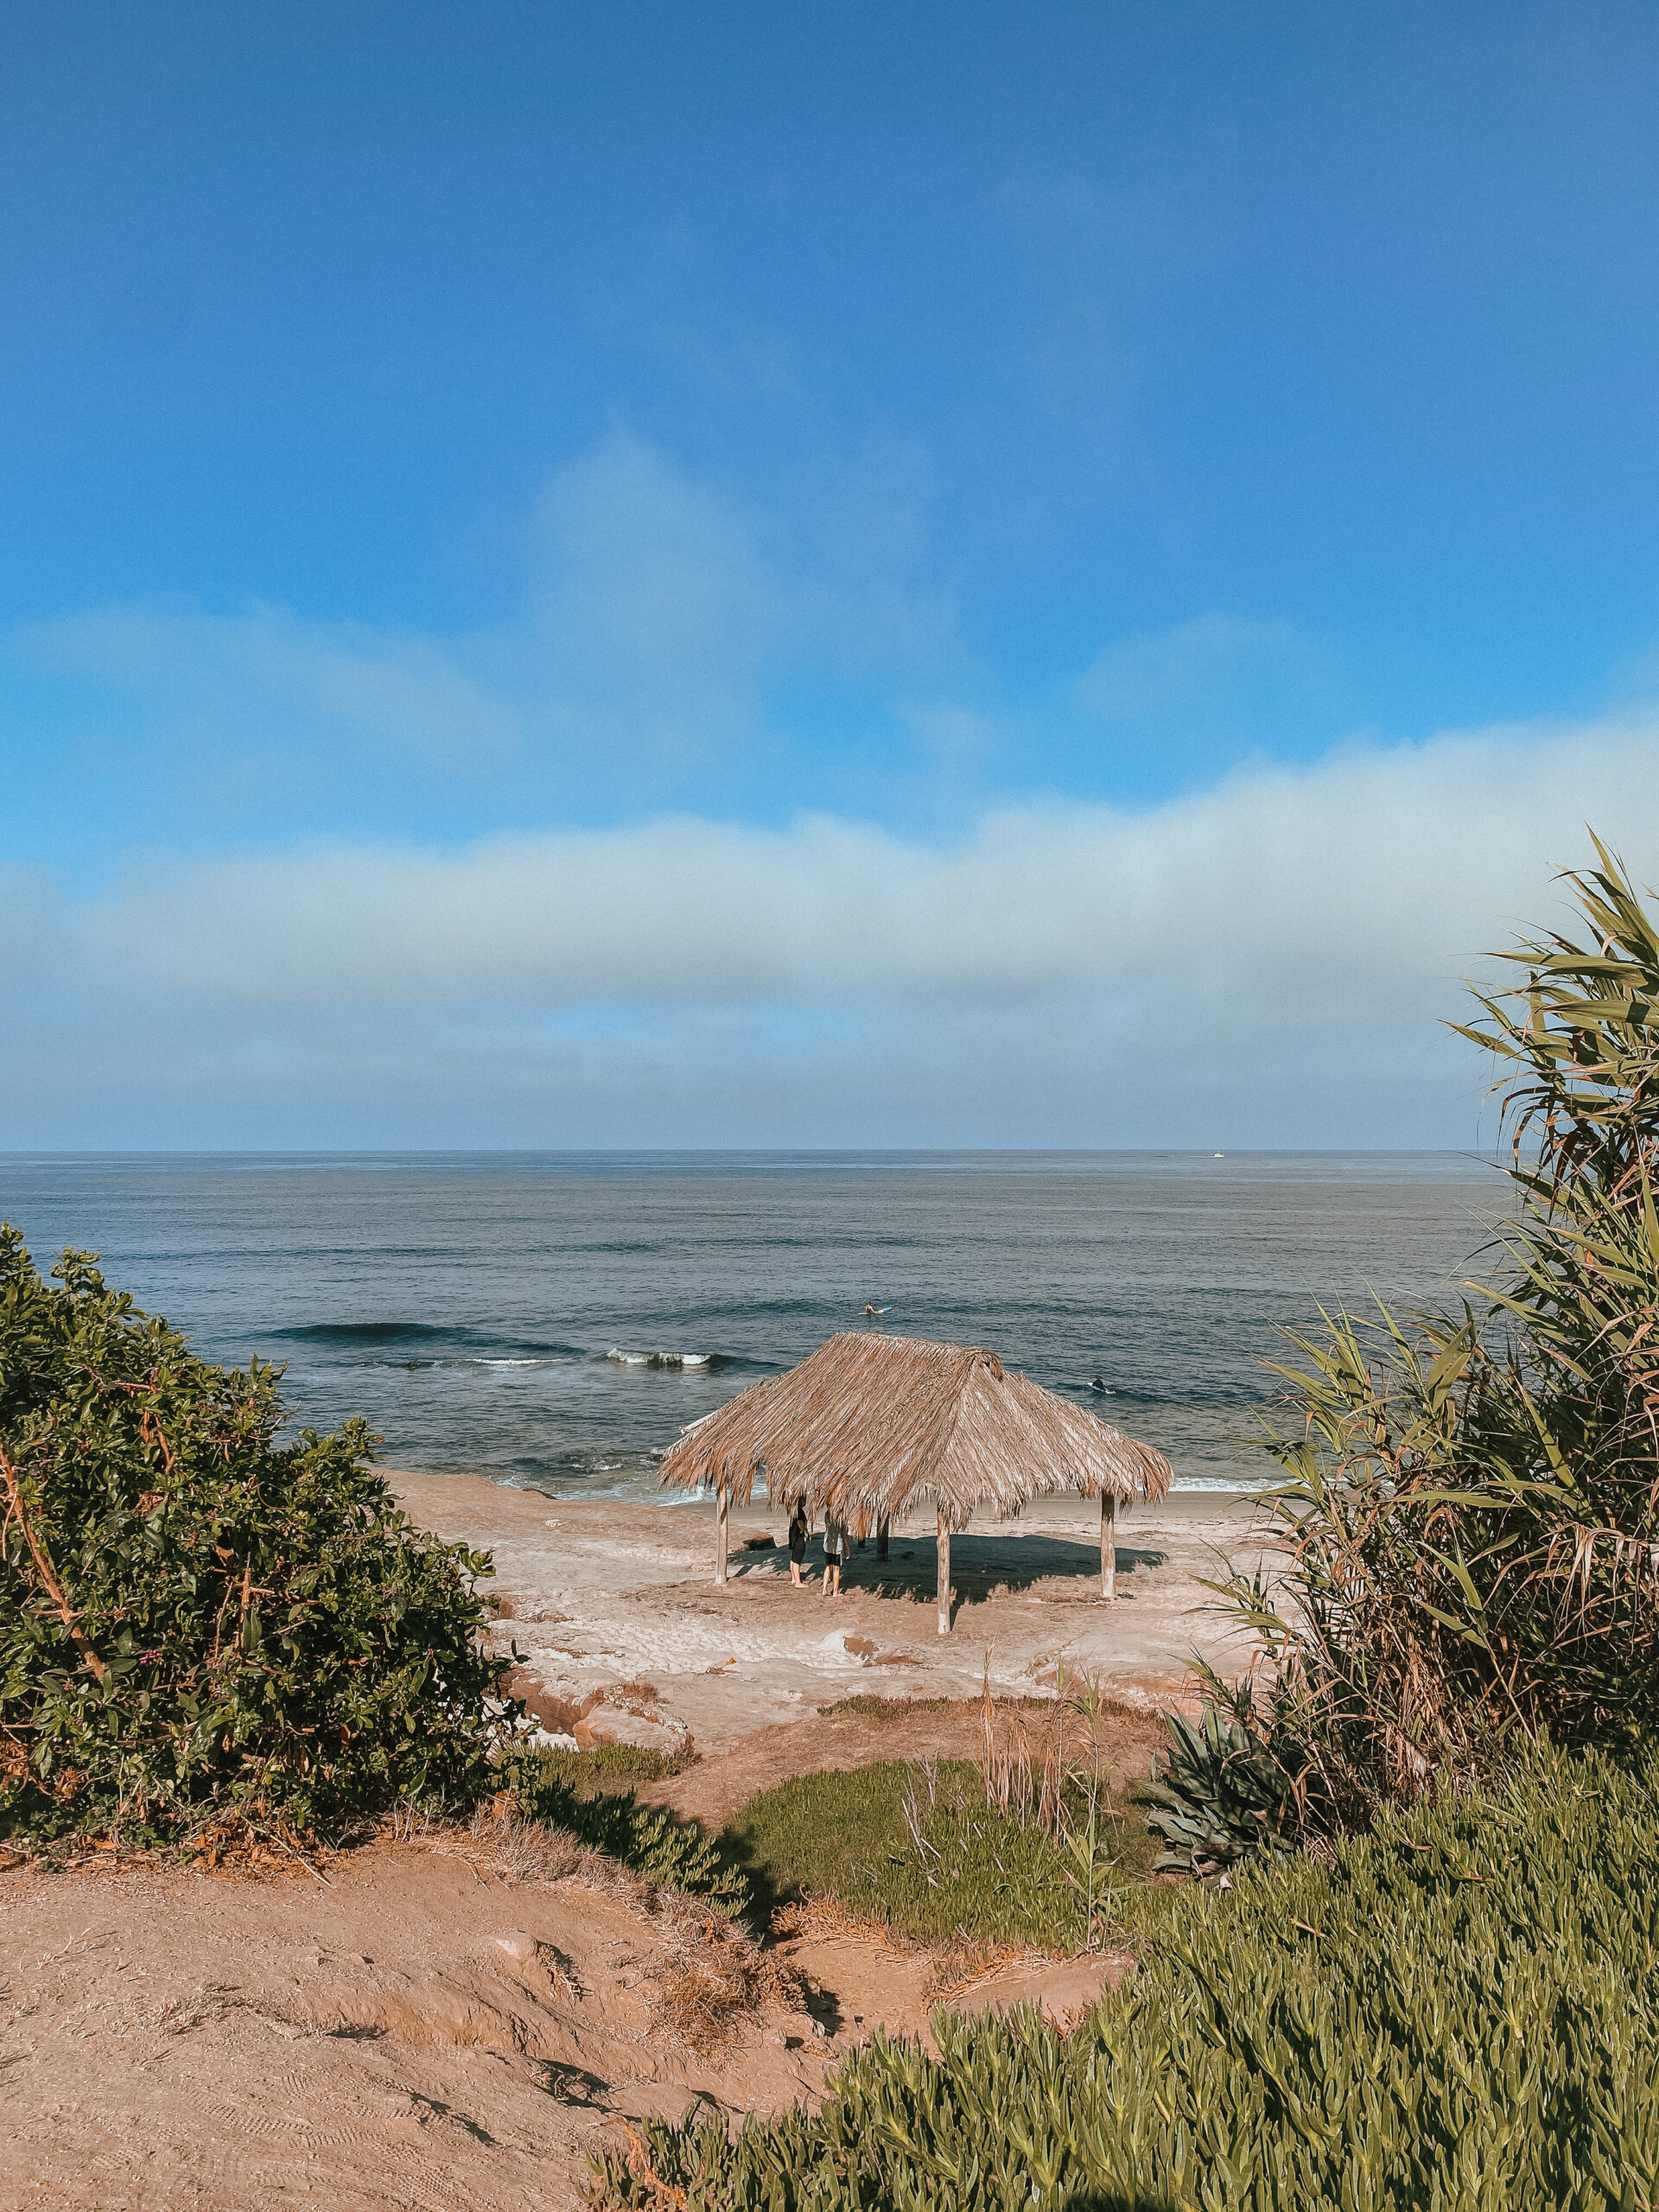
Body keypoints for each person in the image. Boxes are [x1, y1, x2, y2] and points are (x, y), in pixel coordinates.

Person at [821, 1510, 846, 1598]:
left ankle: (824, 1589)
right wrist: (848, 1548)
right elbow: (843, 1533)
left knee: (828, 1567)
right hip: (837, 1546)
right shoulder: (840, 1515)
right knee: (836, 1569)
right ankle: (835, 1592)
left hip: (828, 1545)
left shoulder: (827, 1514)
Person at [787, 1503, 809, 1587]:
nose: (804, 1502)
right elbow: (800, 1523)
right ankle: (798, 1582)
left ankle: (794, 1578)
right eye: (803, 1500)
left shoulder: (794, 1510)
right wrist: (804, 1531)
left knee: (794, 1558)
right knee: (797, 1560)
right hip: (798, 1537)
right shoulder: (799, 1511)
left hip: (794, 1537)